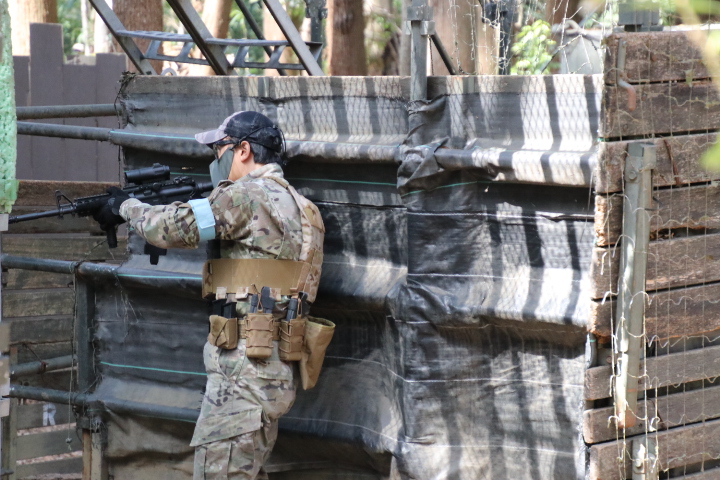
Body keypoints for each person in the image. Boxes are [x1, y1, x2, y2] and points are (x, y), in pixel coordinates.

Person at [98, 111, 325, 480]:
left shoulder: (246, 196)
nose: (215, 159)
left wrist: (124, 206)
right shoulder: (304, 209)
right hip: (274, 367)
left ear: (244, 150)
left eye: (219, 149)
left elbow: (169, 228)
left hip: (242, 373)